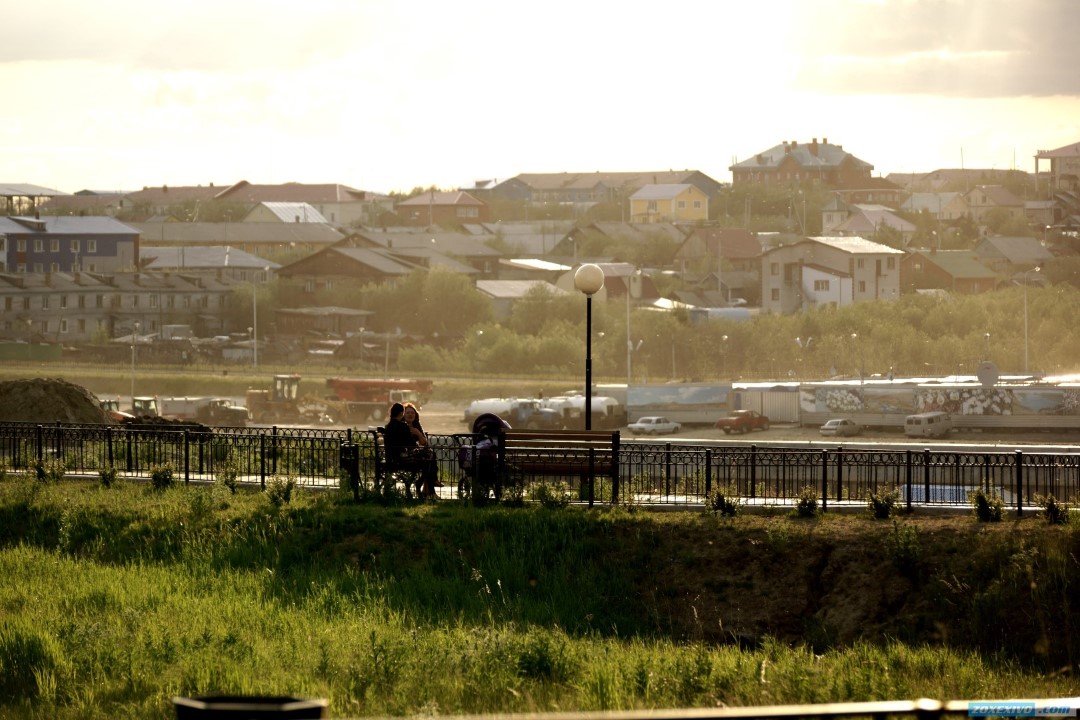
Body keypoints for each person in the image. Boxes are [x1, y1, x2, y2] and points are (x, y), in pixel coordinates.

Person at [384, 402, 438, 498]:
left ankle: (429, 488)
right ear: (402, 414)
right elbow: (411, 445)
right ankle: (425, 487)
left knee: (428, 458)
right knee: (428, 460)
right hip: (401, 458)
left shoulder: (388, 426)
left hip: (391, 457)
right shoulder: (402, 426)